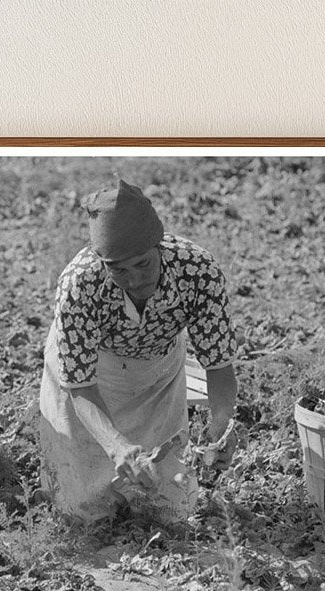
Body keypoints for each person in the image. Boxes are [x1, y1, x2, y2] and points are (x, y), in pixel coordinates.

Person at [38, 180, 239, 523]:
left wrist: (221, 422)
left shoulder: (197, 272)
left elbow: (219, 364)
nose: (133, 279)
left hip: (157, 375)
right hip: (90, 378)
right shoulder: (80, 284)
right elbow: (80, 385)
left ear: (159, 246)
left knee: (170, 508)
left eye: (143, 264)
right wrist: (117, 446)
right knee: (81, 510)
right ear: (103, 264)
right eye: (119, 270)